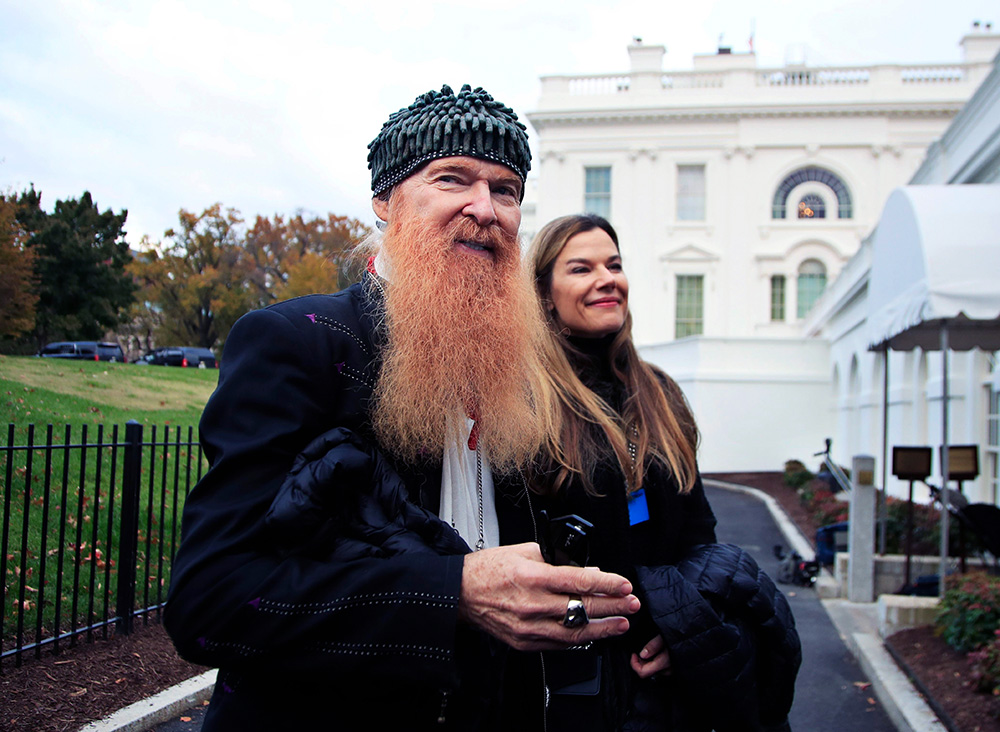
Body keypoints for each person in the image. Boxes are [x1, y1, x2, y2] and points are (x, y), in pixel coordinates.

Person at [164, 85, 640, 731]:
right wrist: (455, 592)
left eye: (506, 190)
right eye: (453, 179)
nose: (486, 209)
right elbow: (212, 602)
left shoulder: (512, 371)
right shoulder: (296, 342)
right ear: (385, 201)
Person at [518, 213, 801, 732]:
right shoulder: (526, 403)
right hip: (573, 684)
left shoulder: (660, 394)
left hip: (670, 681)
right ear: (544, 297)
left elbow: (700, 534)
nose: (607, 278)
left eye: (615, 264)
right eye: (581, 268)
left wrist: (684, 632)